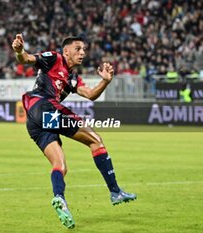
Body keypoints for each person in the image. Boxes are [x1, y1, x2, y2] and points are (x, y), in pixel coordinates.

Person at [12, 34, 137, 229]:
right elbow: (27, 59)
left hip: (35, 122)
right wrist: (19, 50)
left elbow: (91, 95)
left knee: (60, 165)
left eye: (84, 50)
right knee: (95, 139)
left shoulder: (72, 78)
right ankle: (115, 191)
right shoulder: (54, 58)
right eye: (78, 49)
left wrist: (105, 81)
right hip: (44, 108)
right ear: (66, 51)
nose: (82, 53)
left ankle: (59, 199)